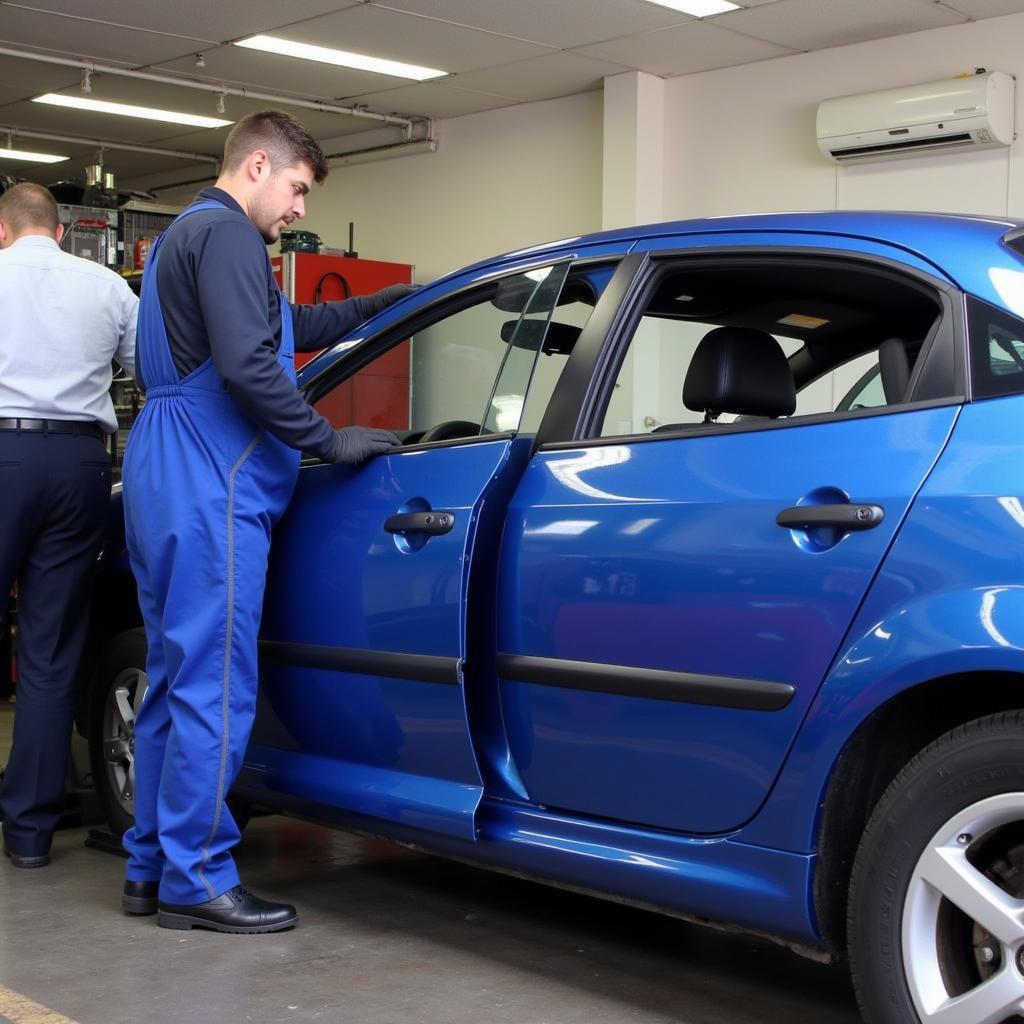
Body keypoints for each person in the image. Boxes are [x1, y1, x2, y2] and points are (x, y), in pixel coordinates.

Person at [121, 110, 413, 934]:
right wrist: (329, 437)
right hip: (208, 476)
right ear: (257, 164)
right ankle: (198, 878)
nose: (298, 210)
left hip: (164, 465)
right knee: (215, 683)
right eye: (296, 188)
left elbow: (281, 333)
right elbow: (253, 367)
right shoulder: (228, 240)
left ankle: (151, 867)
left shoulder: (194, 236)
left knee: (175, 681)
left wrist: (384, 304)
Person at [0, 182, 138, 867]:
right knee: (52, 657)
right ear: (58, 232)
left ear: (3, 232)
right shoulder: (108, 285)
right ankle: (27, 836)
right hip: (79, 464)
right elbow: (151, 369)